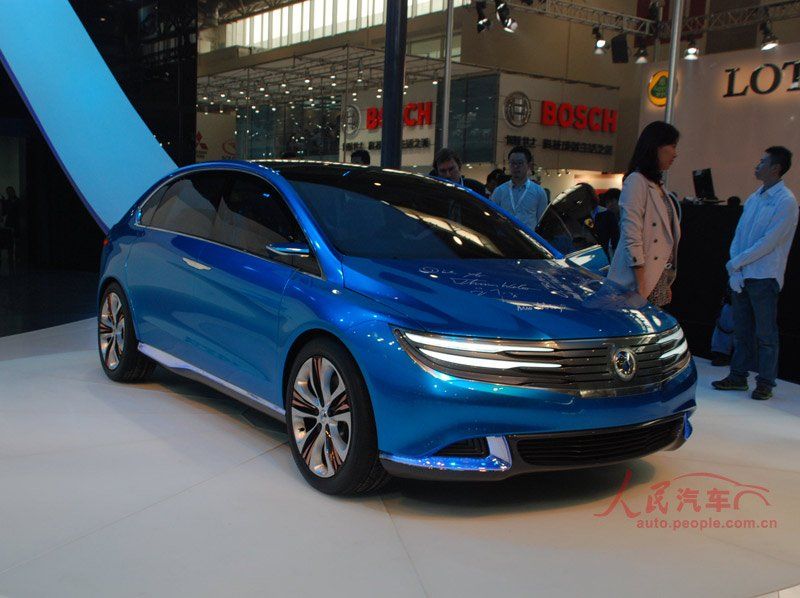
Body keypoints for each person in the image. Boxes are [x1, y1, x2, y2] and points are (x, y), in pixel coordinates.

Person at [713, 146, 797, 400]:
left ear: (775, 168)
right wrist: (735, 266)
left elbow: (769, 242)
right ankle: (738, 376)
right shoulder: (754, 198)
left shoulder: (786, 202)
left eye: (762, 162)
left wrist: (737, 262)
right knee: (741, 332)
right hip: (742, 274)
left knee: (765, 334)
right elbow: (739, 235)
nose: (757, 165)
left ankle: (765, 383)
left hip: (764, 276)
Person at [606, 121, 681, 306]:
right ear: (656, 146)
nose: (675, 153)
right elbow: (632, 234)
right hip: (638, 280)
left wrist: (665, 279)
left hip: (656, 278)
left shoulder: (658, 186)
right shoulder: (636, 181)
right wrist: (641, 284)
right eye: (672, 146)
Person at [490, 146, 548, 230]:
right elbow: (493, 218)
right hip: (505, 236)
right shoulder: (499, 191)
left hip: (527, 238)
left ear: (528, 165)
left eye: (520, 163)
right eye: (512, 163)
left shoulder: (539, 192)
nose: (515, 166)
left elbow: (541, 223)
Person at [594, 189, 620, 258]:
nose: (610, 205)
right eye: (607, 202)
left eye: (612, 201)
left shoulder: (628, 217)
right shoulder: (601, 218)